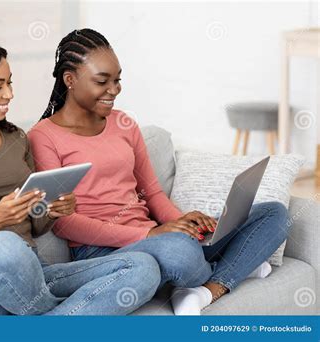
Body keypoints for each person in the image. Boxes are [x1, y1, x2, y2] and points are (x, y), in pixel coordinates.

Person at [28, 28, 290, 315]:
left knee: (275, 213)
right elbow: (64, 223)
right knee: (180, 253)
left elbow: (151, 192)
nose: (114, 90)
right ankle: (236, 265)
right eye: (102, 81)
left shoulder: (123, 123)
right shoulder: (44, 137)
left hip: (158, 236)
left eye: (117, 80)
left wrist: (182, 221)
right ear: (70, 80)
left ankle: (208, 288)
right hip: (104, 251)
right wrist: (149, 234)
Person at [0, 36, 161, 316]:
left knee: (141, 266)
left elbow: (35, 225)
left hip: (34, 274)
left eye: (10, 83)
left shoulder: (16, 138)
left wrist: (51, 210)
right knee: (4, 245)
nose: (9, 94)